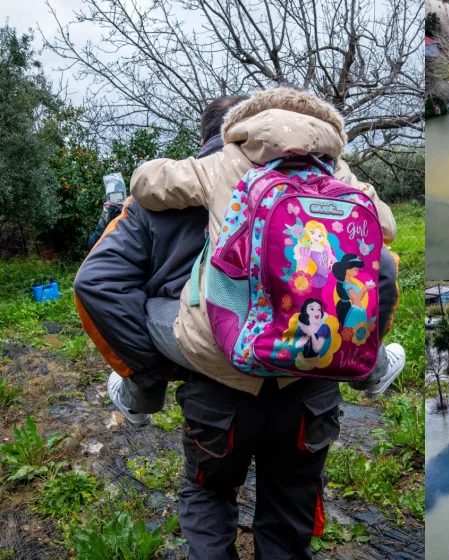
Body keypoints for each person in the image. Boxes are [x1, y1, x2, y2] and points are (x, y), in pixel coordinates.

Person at [125, 88, 405, 558]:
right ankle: (371, 367)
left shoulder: (224, 162)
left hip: (227, 364)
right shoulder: (337, 170)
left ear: (242, 123)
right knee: (290, 507)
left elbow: (146, 184)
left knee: (209, 493)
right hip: (311, 372)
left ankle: (137, 387)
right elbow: (387, 227)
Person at [75, 95, 248, 421]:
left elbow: (95, 284)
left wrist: (152, 372)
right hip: (298, 352)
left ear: (203, 142)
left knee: (150, 305)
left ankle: (141, 399)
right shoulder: (303, 188)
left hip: (206, 354)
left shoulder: (160, 194)